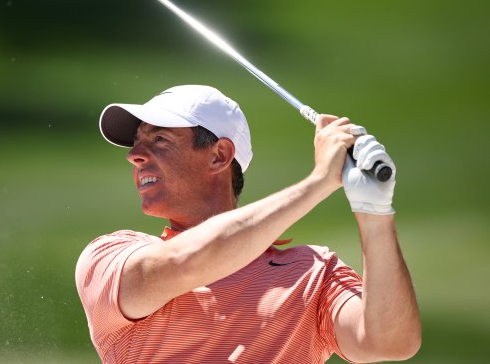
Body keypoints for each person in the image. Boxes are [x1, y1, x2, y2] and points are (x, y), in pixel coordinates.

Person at [75, 85, 421, 363]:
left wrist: (373, 210)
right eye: (137, 143)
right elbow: (185, 263)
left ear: (219, 155)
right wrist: (319, 182)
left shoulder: (313, 273)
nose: (134, 155)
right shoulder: (109, 256)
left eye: (159, 139)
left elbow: (389, 343)